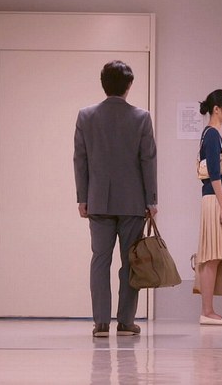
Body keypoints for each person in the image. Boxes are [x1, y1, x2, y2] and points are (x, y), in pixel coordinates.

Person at [73, 60, 158, 337]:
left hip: (98, 200)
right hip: (133, 202)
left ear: (103, 84)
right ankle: (125, 322)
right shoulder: (141, 118)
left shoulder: (86, 116)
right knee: (130, 262)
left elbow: (80, 160)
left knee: (100, 260)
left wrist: (82, 197)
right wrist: (151, 200)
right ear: (129, 85)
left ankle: (100, 323)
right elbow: (148, 161)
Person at [196, 89, 222, 326]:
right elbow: (214, 173)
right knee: (211, 256)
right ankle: (207, 311)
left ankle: (208, 311)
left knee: (214, 255)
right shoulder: (212, 134)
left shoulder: (213, 135)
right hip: (216, 199)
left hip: (216, 199)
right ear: (216, 109)